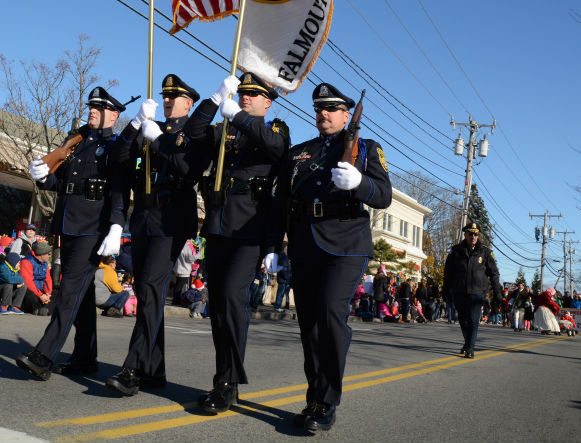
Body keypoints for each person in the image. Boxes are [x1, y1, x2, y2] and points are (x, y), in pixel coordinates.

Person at [276, 82, 392, 433]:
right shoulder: (301, 152)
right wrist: (273, 246)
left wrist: (359, 183)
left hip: (346, 244)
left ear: (346, 114)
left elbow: (383, 195)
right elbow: (283, 201)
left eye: (331, 109)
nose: (323, 114)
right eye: (319, 108)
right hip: (304, 242)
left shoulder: (366, 148)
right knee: (308, 324)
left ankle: (327, 401)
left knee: (329, 313)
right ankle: (315, 397)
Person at [182, 72, 289, 413]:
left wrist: (238, 116)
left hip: (249, 231)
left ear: (267, 102)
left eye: (252, 95)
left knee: (231, 297)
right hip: (217, 226)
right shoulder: (224, 129)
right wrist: (214, 101)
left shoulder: (274, 129)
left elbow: (275, 148)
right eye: (241, 93)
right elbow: (193, 133)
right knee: (219, 304)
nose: (244, 98)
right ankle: (223, 379)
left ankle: (227, 383)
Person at [15, 86, 126, 381]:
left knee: (68, 292)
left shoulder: (116, 147)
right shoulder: (77, 143)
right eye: (90, 106)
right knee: (83, 296)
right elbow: (61, 182)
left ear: (113, 115)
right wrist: (43, 177)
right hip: (69, 225)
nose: (91, 110)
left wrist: (117, 225)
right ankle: (85, 357)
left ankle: (44, 356)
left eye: (99, 108)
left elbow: (118, 190)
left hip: (93, 228)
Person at [106, 75, 202, 397]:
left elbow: (188, 169)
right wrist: (135, 125)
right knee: (150, 295)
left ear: (189, 103)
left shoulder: (195, 132)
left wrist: (159, 139)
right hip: (144, 217)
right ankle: (154, 368)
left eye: (176, 98)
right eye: (166, 97)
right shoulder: (150, 126)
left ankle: (132, 368)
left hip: (172, 220)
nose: (169, 102)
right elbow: (118, 158)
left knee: (149, 288)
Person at [443, 221, 503, 358]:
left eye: (476, 234)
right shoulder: (456, 251)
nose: (473, 237)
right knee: (463, 320)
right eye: (471, 234)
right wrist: (446, 289)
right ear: (465, 234)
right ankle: (467, 342)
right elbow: (448, 272)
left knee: (473, 320)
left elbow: (494, 273)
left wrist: (497, 293)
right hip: (460, 291)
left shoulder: (485, 252)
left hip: (477, 293)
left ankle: (470, 347)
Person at [0, 250, 26, 314]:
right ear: (13, 262)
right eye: (18, 262)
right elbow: (9, 279)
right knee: (8, 285)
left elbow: (18, 278)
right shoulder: (3, 267)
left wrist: (19, 283)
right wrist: (20, 281)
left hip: (6, 289)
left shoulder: (15, 269)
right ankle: (3, 306)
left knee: (23, 287)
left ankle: (14, 306)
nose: (19, 264)